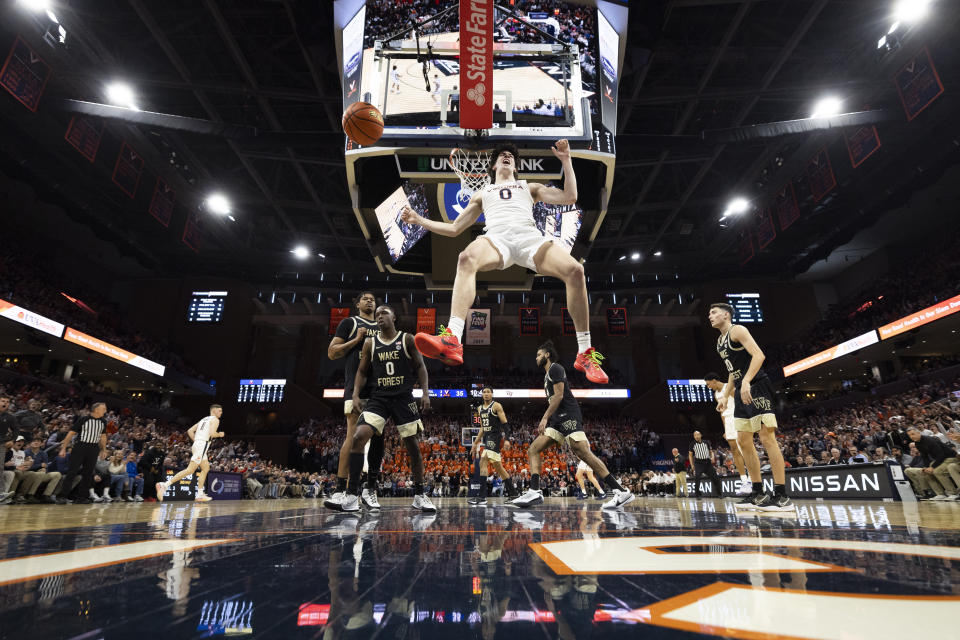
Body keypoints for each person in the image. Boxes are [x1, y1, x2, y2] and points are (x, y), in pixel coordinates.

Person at [405, 141, 610, 385]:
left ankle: (584, 352)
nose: (506, 157)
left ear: (515, 165)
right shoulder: (482, 193)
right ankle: (453, 339)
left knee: (576, 270)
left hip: (529, 238)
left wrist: (566, 161)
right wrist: (419, 220)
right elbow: (454, 228)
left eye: (510, 156)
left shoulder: (529, 186)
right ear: (492, 165)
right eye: (502, 155)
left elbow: (570, 196)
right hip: (496, 238)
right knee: (465, 258)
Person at [512, 340, 633, 509]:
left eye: (539, 354)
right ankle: (534, 491)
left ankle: (620, 491)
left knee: (583, 452)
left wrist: (544, 417)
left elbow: (559, 396)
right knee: (533, 449)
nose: (536, 358)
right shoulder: (547, 374)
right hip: (557, 419)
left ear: (547, 354)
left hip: (568, 414)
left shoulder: (555, 368)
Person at [338, 305, 436, 513]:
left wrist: (426, 393)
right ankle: (352, 494)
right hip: (379, 397)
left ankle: (419, 494)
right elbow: (362, 371)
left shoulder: (407, 339)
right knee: (359, 436)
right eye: (377, 315)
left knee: (412, 445)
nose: (379, 316)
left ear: (394, 317)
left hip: (403, 397)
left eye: (383, 313)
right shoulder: (370, 343)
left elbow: (420, 366)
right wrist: (355, 394)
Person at [709, 302, 792, 512]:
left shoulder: (738, 329)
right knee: (744, 441)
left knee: (766, 438)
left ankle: (782, 495)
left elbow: (759, 355)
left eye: (714, 312)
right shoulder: (720, 341)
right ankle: (758, 492)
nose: (710, 316)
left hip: (757, 386)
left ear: (726, 315)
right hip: (741, 390)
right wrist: (725, 395)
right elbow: (732, 370)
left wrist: (745, 382)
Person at [326, 291, 386, 511]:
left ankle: (370, 489)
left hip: (380, 390)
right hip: (356, 389)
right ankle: (341, 490)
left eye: (373, 298)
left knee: (378, 439)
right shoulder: (349, 322)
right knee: (352, 436)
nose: (370, 301)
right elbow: (332, 352)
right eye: (365, 299)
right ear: (357, 303)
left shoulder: (382, 327)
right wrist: (357, 340)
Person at [156, 405, 225, 503]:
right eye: (219, 411)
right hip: (201, 445)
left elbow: (190, 431)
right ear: (213, 411)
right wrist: (220, 434)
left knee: (205, 468)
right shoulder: (215, 420)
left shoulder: (203, 420)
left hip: (198, 445)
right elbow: (212, 433)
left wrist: (197, 441)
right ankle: (164, 485)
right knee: (190, 470)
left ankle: (200, 494)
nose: (221, 413)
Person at [468, 386, 518, 506]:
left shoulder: (496, 406)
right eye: (484, 392)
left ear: (492, 394)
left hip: (495, 437)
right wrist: (475, 443)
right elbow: (482, 428)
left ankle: (482, 497)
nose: (486, 394)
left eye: (488, 392)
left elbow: (505, 424)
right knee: (499, 468)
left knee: (483, 460)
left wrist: (507, 439)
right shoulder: (480, 408)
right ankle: (514, 494)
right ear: (482, 395)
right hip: (486, 438)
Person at [704, 372, 750, 493]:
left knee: (743, 448)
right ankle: (744, 480)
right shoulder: (716, 394)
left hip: (737, 417)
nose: (708, 387)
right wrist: (725, 428)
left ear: (714, 380)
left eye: (709, 384)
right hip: (728, 420)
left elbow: (739, 401)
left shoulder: (728, 387)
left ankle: (752, 478)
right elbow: (721, 412)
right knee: (734, 450)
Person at [56, 403, 109, 505]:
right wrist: (63, 448)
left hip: (93, 448)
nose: (105, 411)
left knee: (88, 474)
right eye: (104, 409)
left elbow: (103, 436)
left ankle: (81, 497)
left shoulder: (103, 421)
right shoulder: (84, 419)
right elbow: (71, 433)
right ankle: (62, 496)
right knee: (72, 472)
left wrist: (104, 449)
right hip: (80, 446)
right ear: (96, 410)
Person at [904, 427, 959, 501]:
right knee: (926, 472)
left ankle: (952, 493)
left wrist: (932, 467)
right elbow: (925, 457)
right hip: (940, 460)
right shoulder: (917, 443)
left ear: (918, 433)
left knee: (937, 471)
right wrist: (926, 467)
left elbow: (941, 455)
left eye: (913, 434)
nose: (911, 436)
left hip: (950, 458)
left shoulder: (930, 440)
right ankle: (940, 494)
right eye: (909, 435)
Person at [688, 430, 721, 498]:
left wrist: (712, 457)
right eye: (695, 435)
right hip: (698, 463)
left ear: (700, 435)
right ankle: (698, 495)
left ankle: (719, 494)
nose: (696, 436)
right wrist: (692, 465)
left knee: (715, 478)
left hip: (707, 463)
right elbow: (690, 455)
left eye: (697, 435)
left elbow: (711, 451)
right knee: (697, 479)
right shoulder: (692, 444)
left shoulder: (706, 442)